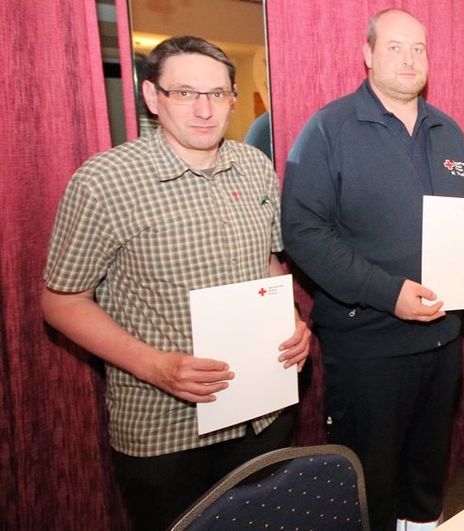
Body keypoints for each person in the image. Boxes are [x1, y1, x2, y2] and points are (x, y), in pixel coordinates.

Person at [40, 36, 311, 530]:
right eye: (185, 93)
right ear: (152, 98)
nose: (205, 110)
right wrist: (157, 366)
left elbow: (269, 263)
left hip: (262, 412)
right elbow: (62, 302)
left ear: (234, 96)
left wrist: (292, 319)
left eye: (217, 94)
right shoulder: (104, 181)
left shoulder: (255, 167)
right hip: (166, 426)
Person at [280, 9, 464, 531]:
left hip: (444, 342)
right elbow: (304, 233)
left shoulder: (448, 130)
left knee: (426, 481)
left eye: (419, 48)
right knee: (369, 486)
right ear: (368, 54)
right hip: (368, 346)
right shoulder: (328, 129)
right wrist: (388, 291)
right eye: (396, 47)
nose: (409, 58)